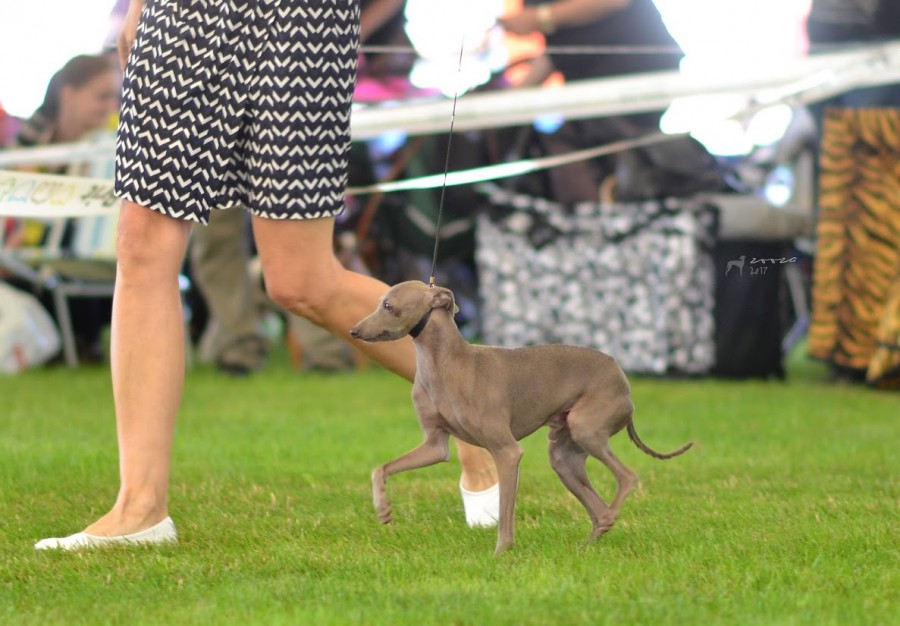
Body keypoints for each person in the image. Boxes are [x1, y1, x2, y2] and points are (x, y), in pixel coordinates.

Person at [34, 0, 497, 550]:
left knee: (301, 281)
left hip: (305, 22)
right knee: (140, 245)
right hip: (183, 16)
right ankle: (140, 508)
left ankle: (473, 417)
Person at [4, 54, 121, 363]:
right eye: (102, 97)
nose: (110, 106)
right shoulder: (34, 137)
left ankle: (76, 342)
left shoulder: (115, 138)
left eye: (114, 97)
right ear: (68, 94)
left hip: (96, 249)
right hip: (38, 249)